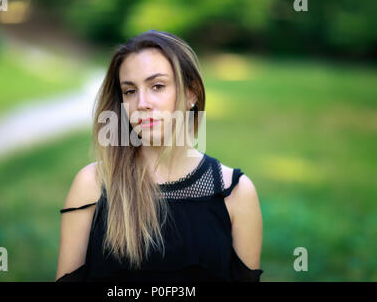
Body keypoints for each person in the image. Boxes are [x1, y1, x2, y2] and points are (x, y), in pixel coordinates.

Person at [55, 30, 263, 282]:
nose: (142, 103)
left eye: (157, 86)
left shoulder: (235, 193)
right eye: (130, 91)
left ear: (192, 93)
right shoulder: (94, 184)